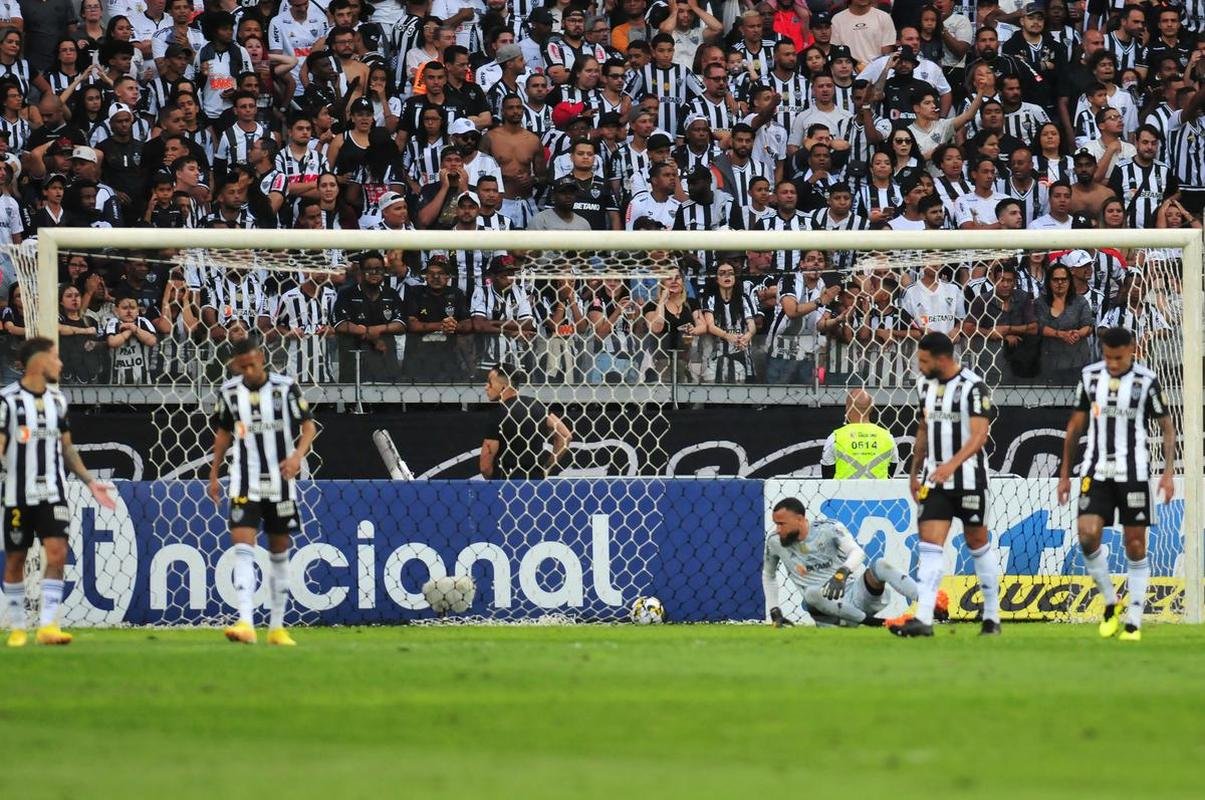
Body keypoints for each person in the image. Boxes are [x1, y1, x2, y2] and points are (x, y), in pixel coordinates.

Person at [1056, 326, 1176, 642]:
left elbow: (1167, 427)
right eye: (1107, 356)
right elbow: (1075, 426)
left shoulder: (1146, 381)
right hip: (1095, 472)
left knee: (1135, 544)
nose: (1111, 363)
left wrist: (1166, 473)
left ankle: (1134, 620)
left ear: (1132, 350)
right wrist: (1065, 473)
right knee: (1087, 535)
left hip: (1133, 473)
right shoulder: (1090, 377)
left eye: (1118, 358)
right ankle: (1111, 602)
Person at [1, 337, 116, 647]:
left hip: (53, 493)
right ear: (39, 362)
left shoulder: (57, 401)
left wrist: (90, 482)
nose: (61, 364)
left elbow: (66, 448)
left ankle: (49, 625)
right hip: (17, 496)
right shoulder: (7, 401)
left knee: (57, 553)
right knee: (15, 560)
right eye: (56, 357)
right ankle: (17, 628)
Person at [207, 338, 317, 646]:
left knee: (279, 551)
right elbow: (224, 432)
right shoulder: (229, 393)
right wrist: (214, 473)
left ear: (262, 358)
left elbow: (309, 426)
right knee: (242, 545)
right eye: (243, 367)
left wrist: (297, 456)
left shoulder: (285, 388)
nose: (249, 370)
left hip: (281, 482)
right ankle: (245, 622)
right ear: (234, 366)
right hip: (244, 480)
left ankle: (277, 628)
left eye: (253, 364)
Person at [891, 331, 1001, 638]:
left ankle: (992, 617)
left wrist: (952, 464)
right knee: (929, 546)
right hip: (934, 481)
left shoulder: (973, 387)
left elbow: (980, 434)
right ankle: (924, 618)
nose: (920, 366)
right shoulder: (925, 385)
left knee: (977, 542)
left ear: (942, 359)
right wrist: (914, 471)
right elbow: (924, 427)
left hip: (969, 480)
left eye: (924, 361)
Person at [762, 497, 939, 628]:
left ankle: (930, 604)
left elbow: (857, 552)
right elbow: (768, 575)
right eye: (776, 524)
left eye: (781, 524)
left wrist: (842, 573)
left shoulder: (829, 529)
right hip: (828, 613)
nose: (778, 529)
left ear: (800, 519)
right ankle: (874, 623)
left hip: (857, 596)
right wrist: (775, 610)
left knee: (880, 565)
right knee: (811, 593)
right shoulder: (774, 542)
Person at [478, 365, 571, 480]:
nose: (486, 387)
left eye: (489, 382)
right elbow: (565, 436)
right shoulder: (536, 406)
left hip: (507, 482)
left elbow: (485, 466)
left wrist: (495, 481)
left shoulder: (498, 414)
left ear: (503, 386)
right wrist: (547, 466)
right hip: (535, 482)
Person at [820, 388, 897, 479]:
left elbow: (827, 478)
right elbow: (891, 471)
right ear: (871, 408)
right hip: (878, 493)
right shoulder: (888, 438)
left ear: (848, 408)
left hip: (844, 492)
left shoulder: (835, 438)